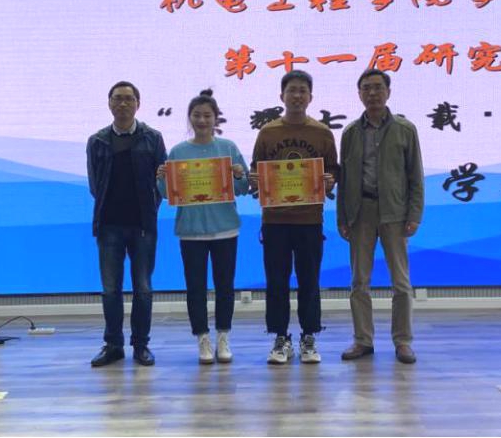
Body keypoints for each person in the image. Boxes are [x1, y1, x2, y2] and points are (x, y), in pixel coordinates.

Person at [250, 69, 338, 365]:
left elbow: (333, 169)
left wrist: (330, 180)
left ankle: (309, 337)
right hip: (274, 221)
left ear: (311, 97)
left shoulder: (322, 133)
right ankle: (280, 337)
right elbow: (257, 168)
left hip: (309, 220)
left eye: (303, 90)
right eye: (292, 90)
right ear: (282, 96)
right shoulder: (268, 132)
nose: (297, 95)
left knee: (309, 281)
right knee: (276, 281)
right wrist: (255, 179)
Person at [336, 69, 424, 364]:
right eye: (366, 88)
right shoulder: (350, 132)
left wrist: (414, 214)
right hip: (360, 212)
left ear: (388, 92)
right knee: (359, 281)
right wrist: (342, 217)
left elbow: (415, 176)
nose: (372, 93)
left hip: (395, 213)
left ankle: (403, 341)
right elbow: (344, 179)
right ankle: (363, 340)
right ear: (359, 94)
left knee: (401, 282)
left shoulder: (405, 129)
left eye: (377, 87)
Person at [156, 89, 250, 365]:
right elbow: (166, 193)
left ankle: (223, 337)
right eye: (196, 115)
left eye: (207, 115)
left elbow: (244, 188)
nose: (202, 120)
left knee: (225, 286)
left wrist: (239, 175)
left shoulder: (228, 148)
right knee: (195, 288)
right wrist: (161, 178)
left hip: (225, 228)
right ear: (190, 118)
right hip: (191, 231)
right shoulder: (178, 151)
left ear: (215, 118)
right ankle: (202, 339)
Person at [86, 81, 167, 367]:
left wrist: (149, 208)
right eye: (117, 98)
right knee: (110, 289)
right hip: (109, 225)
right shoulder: (97, 140)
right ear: (109, 103)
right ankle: (113, 345)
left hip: (143, 225)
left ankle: (141, 345)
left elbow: (162, 182)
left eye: (128, 99)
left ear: (138, 104)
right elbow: (95, 185)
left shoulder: (153, 138)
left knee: (143, 288)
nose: (123, 104)